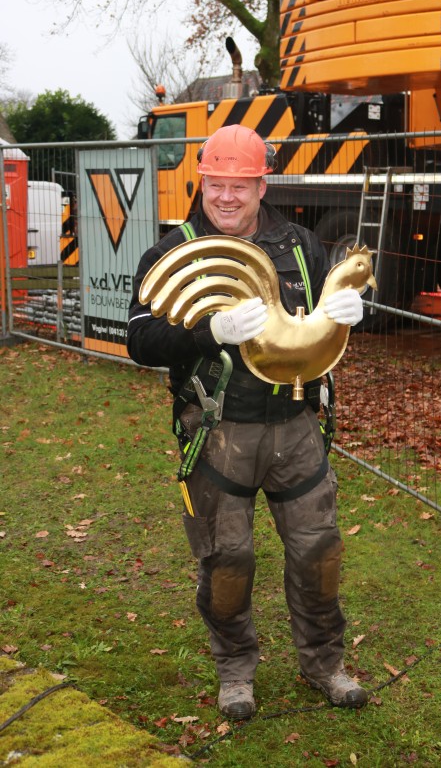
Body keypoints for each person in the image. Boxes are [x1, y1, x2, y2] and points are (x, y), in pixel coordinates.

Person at [127, 124, 368, 719]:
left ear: (263, 185)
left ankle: (324, 664)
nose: (227, 197)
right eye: (217, 184)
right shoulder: (170, 252)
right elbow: (137, 337)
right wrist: (205, 332)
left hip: (295, 426)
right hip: (218, 432)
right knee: (227, 561)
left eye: (240, 185)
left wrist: (343, 316)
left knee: (319, 551)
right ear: (201, 181)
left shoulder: (301, 245)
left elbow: (315, 325)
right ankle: (235, 671)